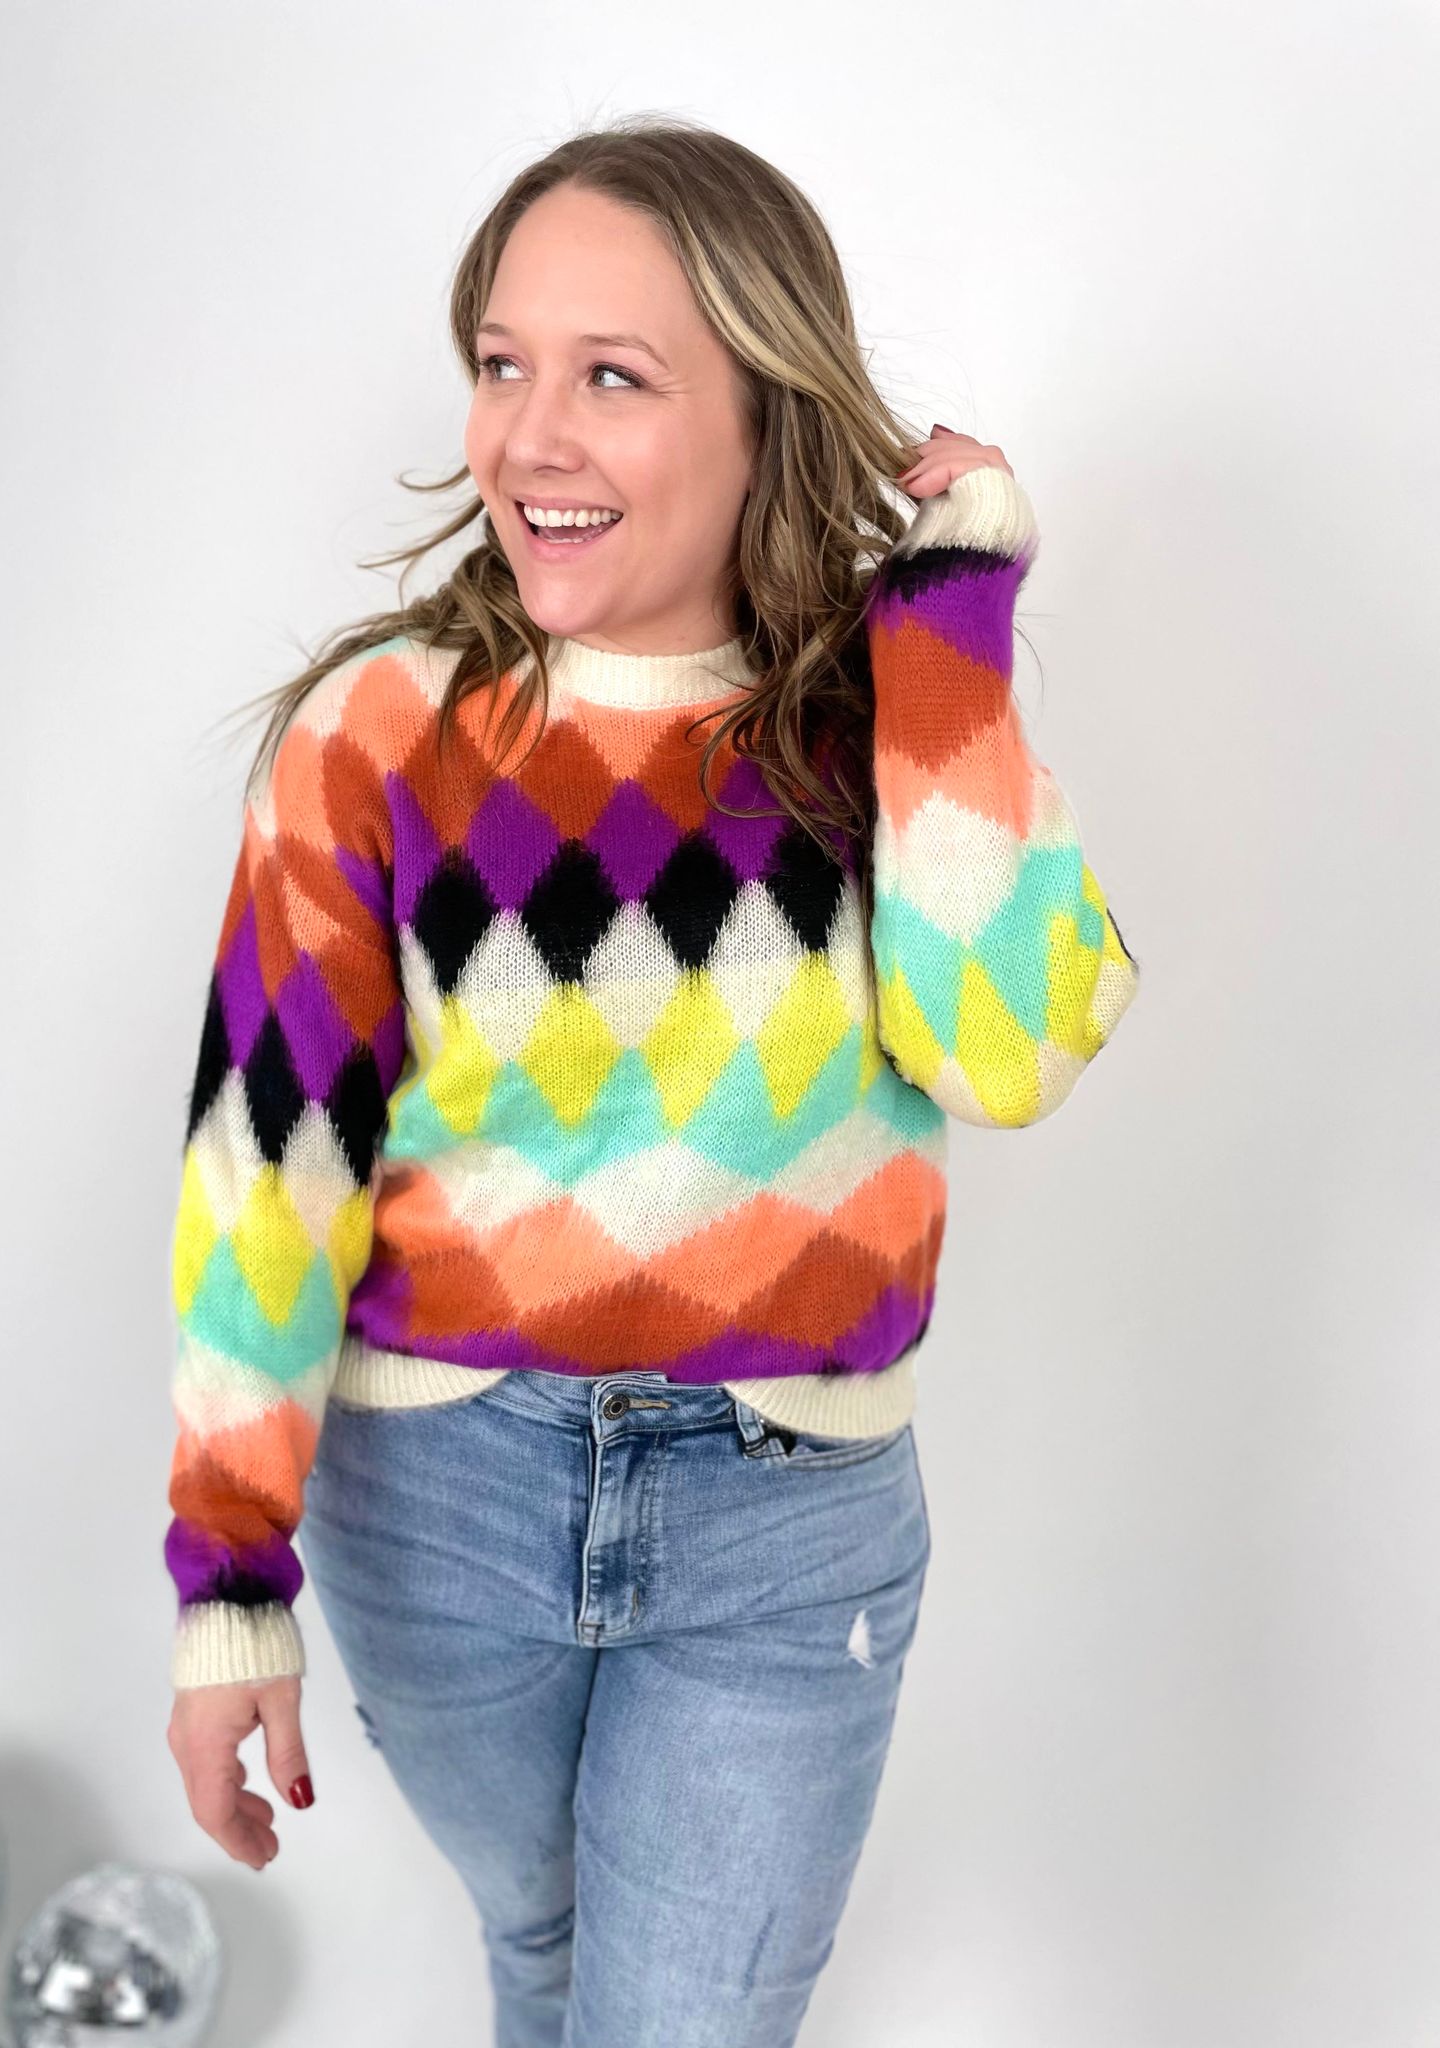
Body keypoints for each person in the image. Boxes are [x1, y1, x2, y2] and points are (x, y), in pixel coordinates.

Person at [163, 114, 1140, 2048]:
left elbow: (1011, 1050)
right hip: (437, 1500)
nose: (530, 436)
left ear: (767, 410)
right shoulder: (380, 735)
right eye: (502, 363)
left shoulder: (883, 724)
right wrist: (228, 1585)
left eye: (612, 376)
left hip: (788, 1526)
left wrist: (952, 631)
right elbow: (269, 1167)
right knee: (548, 1958)